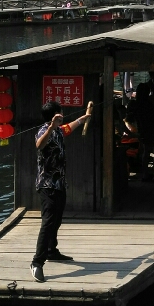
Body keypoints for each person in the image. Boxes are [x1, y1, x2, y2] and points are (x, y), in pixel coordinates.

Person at [31, 99, 94, 282]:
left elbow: (70, 127)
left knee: (57, 219)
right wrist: (51, 126)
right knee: (48, 222)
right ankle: (37, 262)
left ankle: (52, 251)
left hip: (59, 184)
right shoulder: (45, 130)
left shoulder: (59, 130)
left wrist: (84, 118)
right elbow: (39, 145)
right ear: (53, 116)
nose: (63, 115)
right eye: (60, 113)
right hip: (47, 184)